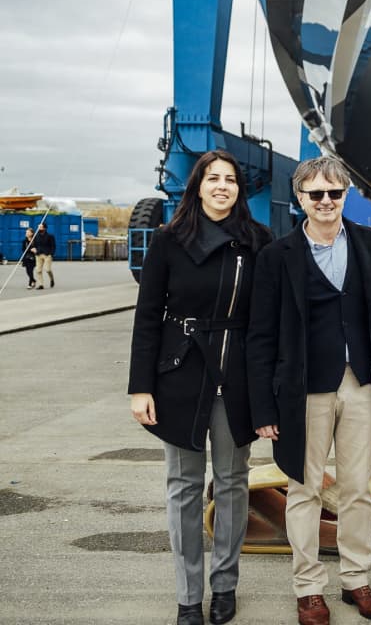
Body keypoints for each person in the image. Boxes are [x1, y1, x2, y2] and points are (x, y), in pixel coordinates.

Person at [246, 156, 371, 625]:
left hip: (361, 383)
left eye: (334, 193)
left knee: (357, 489)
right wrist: (263, 406)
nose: (326, 201)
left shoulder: (369, 244)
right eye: (316, 194)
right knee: (305, 490)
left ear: (346, 195)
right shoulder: (276, 256)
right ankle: (309, 588)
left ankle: (356, 580)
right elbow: (260, 335)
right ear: (300, 199)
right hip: (302, 390)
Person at [127, 150, 273, 625]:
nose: (222, 187)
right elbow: (148, 316)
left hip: (236, 377)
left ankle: (225, 585)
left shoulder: (257, 241)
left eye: (230, 180)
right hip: (181, 376)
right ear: (197, 186)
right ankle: (188, 595)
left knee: (232, 484)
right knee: (184, 488)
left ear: (239, 189)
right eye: (213, 179)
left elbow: (268, 322)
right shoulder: (169, 241)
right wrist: (140, 387)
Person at [32, 221, 55, 289]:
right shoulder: (36, 236)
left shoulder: (50, 236)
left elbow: (53, 246)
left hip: (47, 254)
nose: (39, 228)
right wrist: (34, 249)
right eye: (38, 226)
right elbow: (34, 245)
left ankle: (51, 279)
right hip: (38, 254)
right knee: (38, 270)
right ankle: (41, 285)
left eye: (40, 227)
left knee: (48, 270)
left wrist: (51, 254)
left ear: (44, 228)